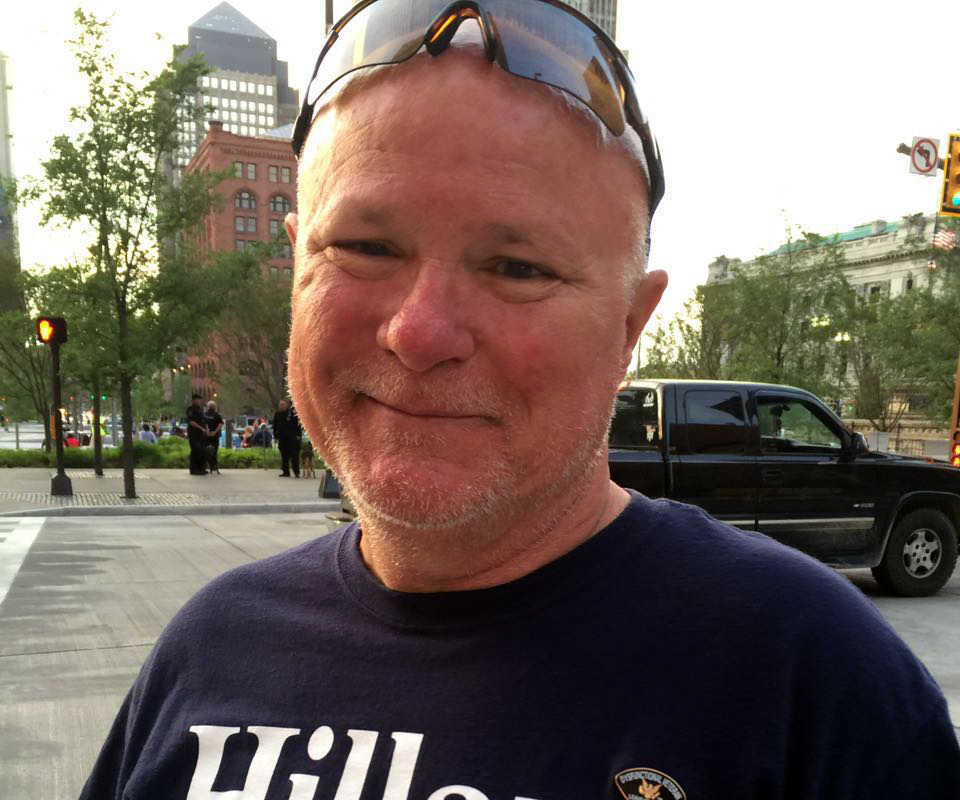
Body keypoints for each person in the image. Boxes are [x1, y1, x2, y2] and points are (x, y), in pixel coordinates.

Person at [80, 4, 959, 799]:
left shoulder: (813, 683)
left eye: (517, 267)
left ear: (629, 325)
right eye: (365, 247)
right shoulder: (212, 647)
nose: (420, 331)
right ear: (297, 267)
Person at [272, 398, 302, 477]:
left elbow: (298, 424)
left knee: (294, 455)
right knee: (284, 456)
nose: (281, 406)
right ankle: (286, 472)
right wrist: (275, 435)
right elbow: (275, 425)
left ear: (286, 405)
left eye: (283, 404)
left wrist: (298, 435)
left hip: (292, 438)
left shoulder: (291, 413)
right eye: (280, 405)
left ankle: (296, 472)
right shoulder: (277, 414)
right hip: (282, 438)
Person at [185, 394, 208, 475]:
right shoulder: (190, 409)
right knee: (196, 450)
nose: (199, 401)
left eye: (200, 399)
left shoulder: (200, 409)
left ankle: (201, 468)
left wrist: (206, 429)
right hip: (194, 433)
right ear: (193, 400)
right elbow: (191, 422)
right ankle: (194, 469)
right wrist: (201, 428)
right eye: (198, 399)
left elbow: (204, 420)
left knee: (202, 451)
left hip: (201, 434)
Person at [203, 400, 224, 474]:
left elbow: (204, 423)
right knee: (215, 451)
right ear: (215, 407)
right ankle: (214, 467)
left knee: (205, 450)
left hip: (206, 435)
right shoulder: (217, 415)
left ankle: (209, 466)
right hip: (215, 436)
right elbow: (220, 424)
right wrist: (215, 432)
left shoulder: (204, 414)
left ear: (208, 407)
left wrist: (207, 431)